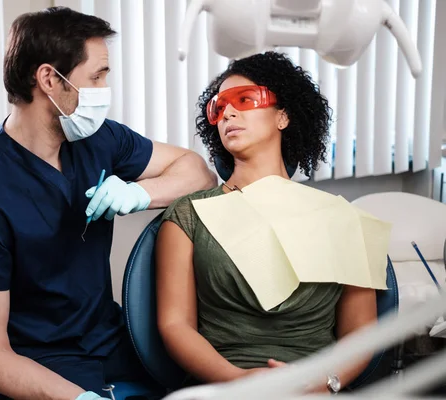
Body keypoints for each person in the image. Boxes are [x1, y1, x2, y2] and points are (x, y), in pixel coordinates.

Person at [0, 7, 216, 400]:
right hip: (35, 361)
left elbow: (198, 172)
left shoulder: (97, 140)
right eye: (96, 76)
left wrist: (140, 194)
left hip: (106, 340)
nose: (104, 88)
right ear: (49, 79)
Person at [156, 52, 378, 394]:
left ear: (284, 117)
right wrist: (240, 380)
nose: (228, 112)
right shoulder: (188, 215)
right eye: (218, 107)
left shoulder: (339, 216)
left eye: (244, 100)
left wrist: (325, 383)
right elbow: (175, 324)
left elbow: (361, 332)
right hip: (222, 387)